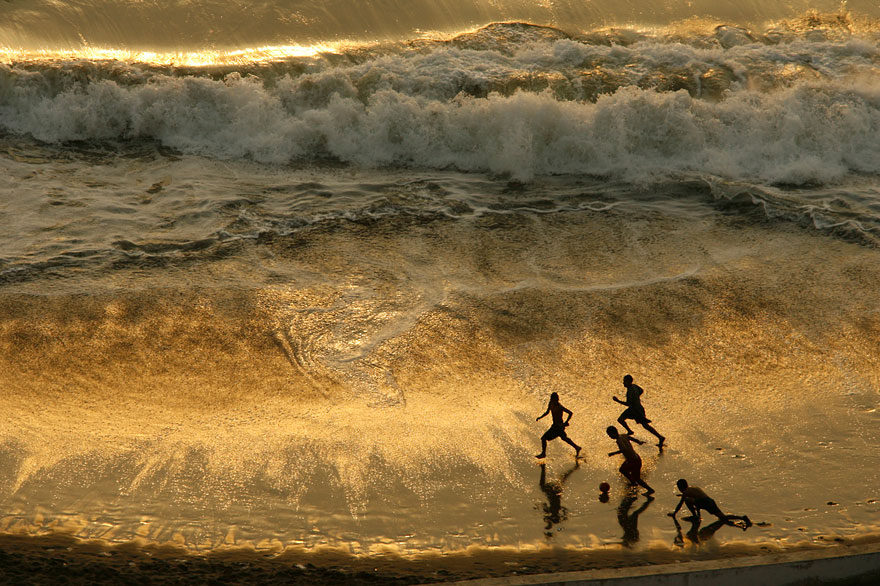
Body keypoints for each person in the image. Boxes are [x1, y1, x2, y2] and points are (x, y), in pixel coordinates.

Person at [668, 479, 751, 527]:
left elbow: (680, 504)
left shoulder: (686, 492)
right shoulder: (692, 488)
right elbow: (697, 500)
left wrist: (674, 514)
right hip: (710, 501)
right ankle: (742, 518)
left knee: (687, 500)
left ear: (680, 487)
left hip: (705, 502)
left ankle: (695, 516)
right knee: (723, 517)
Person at [613, 374, 665, 447]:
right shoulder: (634, 386)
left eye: (624, 381)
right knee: (620, 419)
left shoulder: (630, 392)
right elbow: (641, 390)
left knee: (645, 425)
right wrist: (636, 397)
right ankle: (629, 431)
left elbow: (628, 403)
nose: (623, 383)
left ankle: (660, 437)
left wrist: (617, 401)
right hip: (635, 408)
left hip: (636, 411)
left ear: (628, 382)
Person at [606, 425, 654, 494]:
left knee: (638, 479)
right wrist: (638, 442)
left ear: (613, 433)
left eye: (609, 435)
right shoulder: (624, 435)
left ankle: (650, 490)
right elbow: (631, 438)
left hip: (634, 462)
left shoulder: (619, 441)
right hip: (634, 458)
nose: (609, 437)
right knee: (622, 469)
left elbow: (624, 449)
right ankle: (633, 482)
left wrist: (614, 453)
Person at [535, 392, 581, 459]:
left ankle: (543, 454)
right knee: (564, 438)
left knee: (544, 438)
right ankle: (577, 447)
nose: (554, 401)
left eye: (555, 399)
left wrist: (566, 422)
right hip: (555, 426)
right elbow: (547, 412)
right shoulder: (551, 404)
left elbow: (570, 413)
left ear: (557, 399)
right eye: (553, 399)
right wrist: (540, 417)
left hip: (558, 427)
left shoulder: (560, 407)